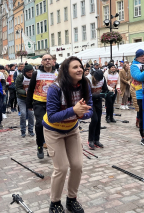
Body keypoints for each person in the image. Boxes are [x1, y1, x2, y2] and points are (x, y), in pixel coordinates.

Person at [44, 56, 93, 213]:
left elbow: (89, 110)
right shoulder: (55, 88)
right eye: (75, 67)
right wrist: (73, 110)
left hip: (72, 129)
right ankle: (55, 202)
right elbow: (51, 116)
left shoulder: (85, 84)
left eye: (80, 66)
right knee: (62, 167)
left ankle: (72, 199)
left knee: (77, 165)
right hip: (53, 131)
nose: (80, 69)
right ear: (66, 71)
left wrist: (80, 114)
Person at [26, 54, 57, 159]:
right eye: (45, 59)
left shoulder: (57, 73)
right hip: (39, 101)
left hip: (53, 103)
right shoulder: (36, 73)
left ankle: (49, 146)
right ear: (42, 62)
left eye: (49, 59)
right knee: (40, 124)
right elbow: (30, 88)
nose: (47, 61)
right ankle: (40, 145)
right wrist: (29, 104)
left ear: (53, 61)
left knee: (52, 125)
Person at [88, 69, 109, 150]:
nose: (97, 82)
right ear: (94, 77)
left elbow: (105, 89)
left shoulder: (102, 79)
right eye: (96, 80)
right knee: (94, 120)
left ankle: (96, 140)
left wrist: (106, 94)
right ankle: (90, 140)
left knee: (99, 120)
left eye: (99, 80)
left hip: (98, 101)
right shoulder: (88, 79)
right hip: (90, 102)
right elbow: (87, 94)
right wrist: (99, 95)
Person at [16, 65, 35, 138]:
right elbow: (18, 88)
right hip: (21, 98)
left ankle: (31, 130)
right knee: (23, 113)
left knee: (31, 114)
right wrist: (25, 92)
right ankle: (23, 130)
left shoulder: (34, 77)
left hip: (31, 99)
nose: (30, 73)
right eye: (28, 72)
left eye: (31, 72)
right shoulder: (20, 77)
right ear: (25, 72)